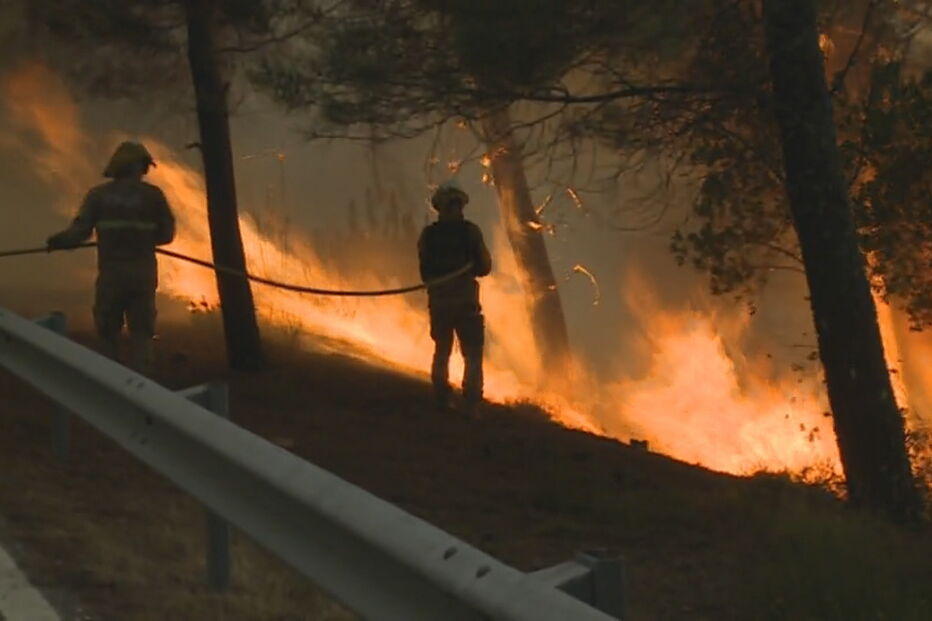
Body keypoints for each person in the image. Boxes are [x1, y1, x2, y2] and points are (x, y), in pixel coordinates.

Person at [46, 140, 175, 374]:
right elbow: (167, 235)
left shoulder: (98, 196)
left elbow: (79, 232)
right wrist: (144, 237)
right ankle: (142, 385)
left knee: (107, 330)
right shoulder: (153, 196)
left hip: (112, 275)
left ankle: (108, 379)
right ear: (141, 167)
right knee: (142, 332)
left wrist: (57, 241)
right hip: (142, 274)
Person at [417, 180, 492, 414]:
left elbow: (425, 272)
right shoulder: (471, 232)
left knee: (442, 350)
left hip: (439, 302)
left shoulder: (428, 236)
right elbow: (484, 267)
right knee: (472, 352)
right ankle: (471, 402)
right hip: (465, 302)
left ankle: (441, 398)